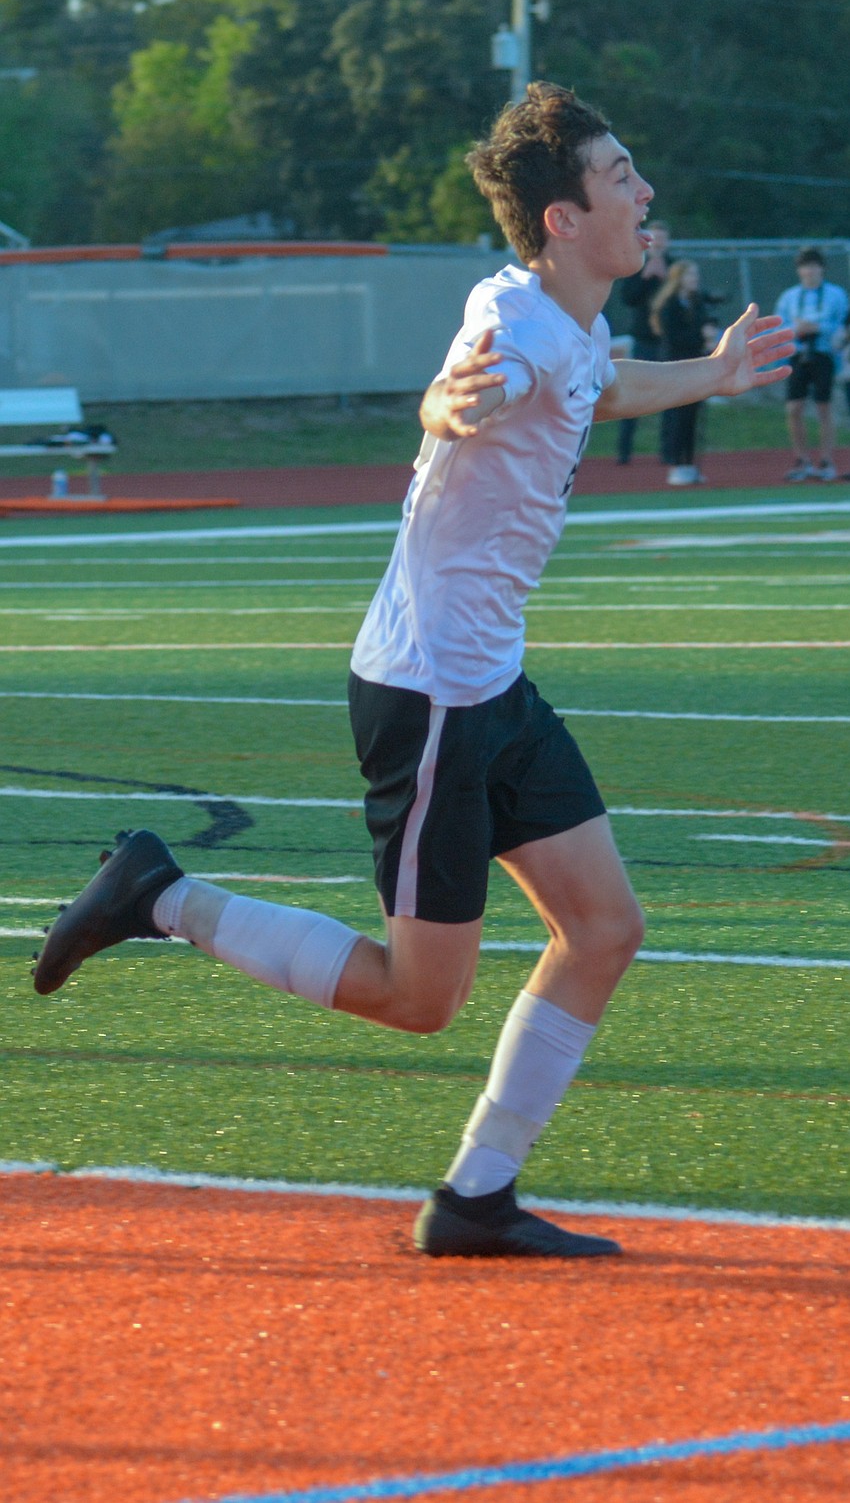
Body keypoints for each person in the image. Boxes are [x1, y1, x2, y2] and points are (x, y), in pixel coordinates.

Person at [31, 83, 794, 1260]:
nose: (645, 192)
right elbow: (463, 396)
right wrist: (441, 408)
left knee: (603, 929)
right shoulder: (517, 325)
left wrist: (712, 369)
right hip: (431, 694)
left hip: (490, 685)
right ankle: (157, 894)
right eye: (621, 174)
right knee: (417, 997)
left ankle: (475, 1198)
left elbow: (602, 385)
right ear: (561, 218)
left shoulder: (572, 323)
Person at [774, 246, 848, 482]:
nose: (810, 271)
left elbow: (843, 326)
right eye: (805, 266)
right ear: (799, 270)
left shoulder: (836, 294)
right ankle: (802, 459)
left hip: (824, 354)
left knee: (823, 407)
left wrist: (819, 328)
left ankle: (826, 459)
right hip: (798, 354)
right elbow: (779, 326)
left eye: (814, 266)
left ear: (822, 268)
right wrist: (798, 329)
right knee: (794, 408)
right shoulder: (790, 296)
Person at [650, 259, 719, 486]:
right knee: (679, 415)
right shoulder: (669, 305)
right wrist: (701, 336)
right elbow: (673, 338)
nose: (695, 279)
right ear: (679, 278)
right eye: (690, 275)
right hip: (675, 365)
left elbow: (707, 319)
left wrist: (709, 330)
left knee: (692, 415)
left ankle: (690, 463)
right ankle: (677, 463)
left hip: (695, 363)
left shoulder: (696, 302)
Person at [614, 220, 671, 464]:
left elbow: (684, 293)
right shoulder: (635, 264)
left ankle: (668, 452)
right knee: (633, 396)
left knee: (671, 396)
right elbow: (628, 297)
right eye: (654, 237)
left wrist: (667, 277)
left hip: (668, 340)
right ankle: (624, 453)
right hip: (643, 339)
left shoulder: (676, 266)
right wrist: (647, 277)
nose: (657, 242)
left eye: (662, 238)